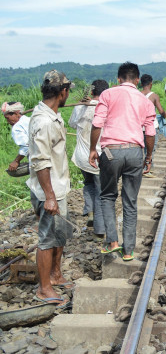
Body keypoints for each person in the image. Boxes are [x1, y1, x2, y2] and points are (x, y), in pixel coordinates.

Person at [90, 62, 155, 262]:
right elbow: (150, 133)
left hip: (111, 152)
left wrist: (93, 149)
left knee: (108, 196)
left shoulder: (107, 94)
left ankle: (112, 242)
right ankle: (128, 250)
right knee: (130, 201)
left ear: (118, 79)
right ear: (137, 80)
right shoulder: (145, 101)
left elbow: (97, 124)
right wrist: (148, 157)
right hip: (135, 152)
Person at [26, 70, 75, 307]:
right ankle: (44, 289)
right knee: (46, 239)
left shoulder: (52, 115)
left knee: (60, 234)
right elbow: (40, 162)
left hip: (57, 187)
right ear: (63, 92)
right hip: (49, 190)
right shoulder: (44, 122)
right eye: (68, 91)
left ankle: (55, 275)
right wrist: (50, 197)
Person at [69, 79, 108, 236]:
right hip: (98, 156)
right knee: (101, 191)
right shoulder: (106, 106)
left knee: (88, 184)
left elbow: (72, 124)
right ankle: (100, 229)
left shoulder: (81, 106)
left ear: (92, 92)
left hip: (81, 155)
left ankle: (90, 213)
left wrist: (80, 106)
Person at [140, 74, 166, 178]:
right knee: (150, 149)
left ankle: (143, 167)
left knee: (141, 149)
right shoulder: (154, 96)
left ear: (141, 84)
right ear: (151, 84)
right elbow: (161, 111)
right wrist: (165, 115)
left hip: (139, 126)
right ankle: (147, 168)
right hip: (151, 126)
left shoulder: (138, 94)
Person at [2, 101, 30, 173]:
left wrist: (16, 161)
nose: (8, 122)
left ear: (16, 113)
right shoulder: (29, 120)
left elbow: (26, 146)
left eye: (7, 118)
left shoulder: (17, 127)